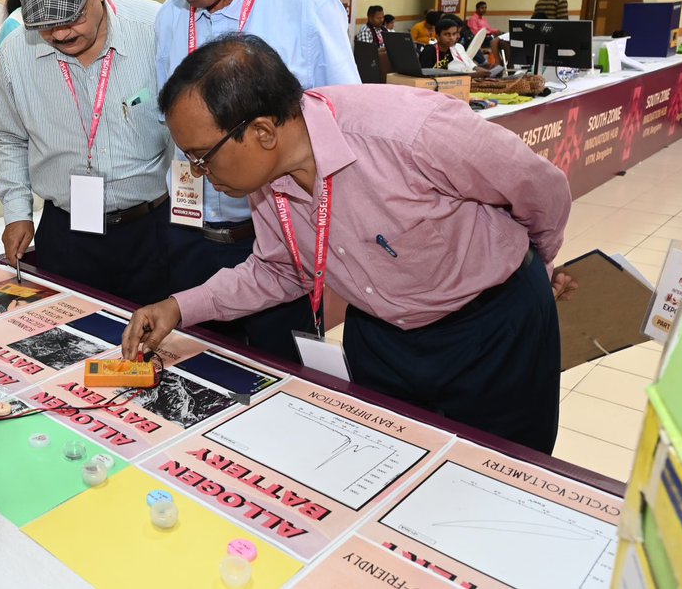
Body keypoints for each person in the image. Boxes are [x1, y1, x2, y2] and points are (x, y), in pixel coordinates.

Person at [123, 33, 576, 454]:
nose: (200, 173)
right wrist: (179, 307)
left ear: (262, 132)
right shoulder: (266, 178)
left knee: (496, 477)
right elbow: (279, 270)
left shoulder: (412, 131)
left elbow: (541, 190)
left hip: (491, 333)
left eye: (203, 157)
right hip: (381, 336)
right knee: (387, 469)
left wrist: (535, 264)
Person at [138, 0, 359, 362]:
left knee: (279, 384)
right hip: (191, 237)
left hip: (280, 247)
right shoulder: (171, 20)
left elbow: (344, 129)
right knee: (198, 377)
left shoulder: (304, 3)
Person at [0, 0, 170, 305]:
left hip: (152, 230)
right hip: (65, 232)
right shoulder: (15, 54)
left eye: (71, 17)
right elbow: (9, 138)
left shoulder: (157, 30)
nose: (58, 33)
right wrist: (16, 211)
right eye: (44, 23)